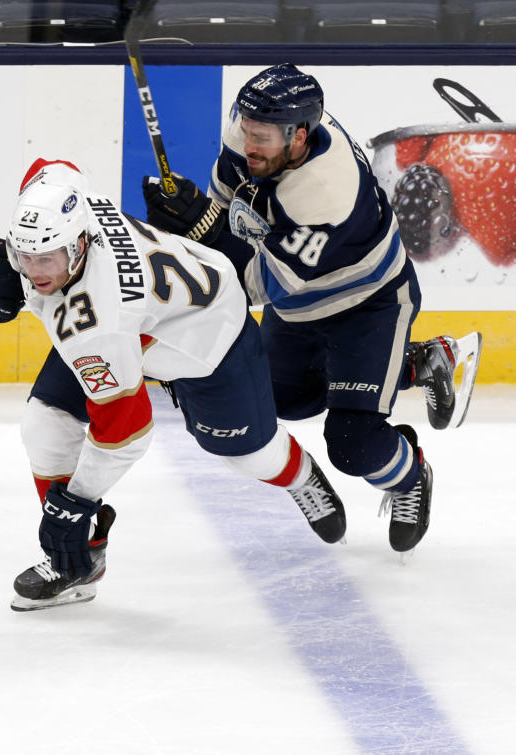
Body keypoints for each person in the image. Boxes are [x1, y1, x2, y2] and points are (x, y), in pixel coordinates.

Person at [0, 157, 347, 613]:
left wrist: (77, 499)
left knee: (247, 454)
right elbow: (53, 166)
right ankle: (76, 561)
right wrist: (6, 258)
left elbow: (127, 431)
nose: (35, 272)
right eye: (25, 256)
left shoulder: (97, 326)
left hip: (206, 339)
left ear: (78, 246)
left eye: (46, 258)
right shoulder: (68, 206)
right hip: (146, 318)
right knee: (45, 424)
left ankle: (300, 475)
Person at [142, 63, 483, 556]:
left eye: (261, 137)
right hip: (301, 305)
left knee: (352, 441)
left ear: (299, 136)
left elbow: (258, 286)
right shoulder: (252, 138)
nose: (247, 144)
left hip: (369, 305)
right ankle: (420, 362)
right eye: (245, 129)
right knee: (271, 401)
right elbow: (229, 212)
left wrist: (204, 232)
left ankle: (410, 475)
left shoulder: (325, 190)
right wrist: (189, 220)